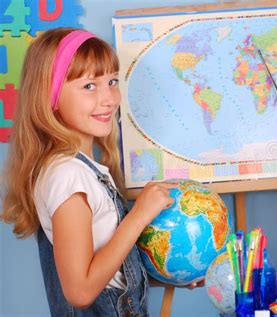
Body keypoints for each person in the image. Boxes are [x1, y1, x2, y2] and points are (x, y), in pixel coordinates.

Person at [0, 27, 200, 316]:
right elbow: (80, 291)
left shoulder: (79, 170)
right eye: (89, 86)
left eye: (112, 81)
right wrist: (140, 214)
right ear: (50, 96)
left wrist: (171, 277)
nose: (109, 98)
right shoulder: (68, 175)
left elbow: (109, 276)